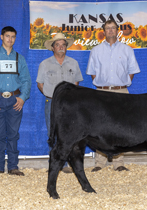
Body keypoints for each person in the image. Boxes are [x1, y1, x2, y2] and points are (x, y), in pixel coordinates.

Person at [86, 19, 140, 172]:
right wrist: (100, 84)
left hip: (121, 92)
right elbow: (92, 73)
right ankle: (99, 163)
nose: (110, 30)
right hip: (102, 92)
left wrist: (123, 84)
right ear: (103, 31)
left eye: (113, 28)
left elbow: (132, 71)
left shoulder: (127, 50)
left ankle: (119, 162)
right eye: (107, 28)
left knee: (121, 126)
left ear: (118, 31)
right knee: (99, 126)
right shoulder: (96, 51)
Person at [0, 26, 32, 177]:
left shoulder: (19, 58)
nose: (10, 39)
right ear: (1, 37)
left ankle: (13, 167)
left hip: (15, 100)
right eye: (7, 36)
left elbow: (26, 80)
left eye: (13, 37)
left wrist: (23, 98)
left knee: (14, 134)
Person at [36, 33, 83, 173]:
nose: (61, 47)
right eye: (58, 45)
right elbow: (40, 83)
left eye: (63, 45)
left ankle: (67, 164)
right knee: (53, 133)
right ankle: (55, 164)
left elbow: (76, 82)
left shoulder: (73, 63)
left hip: (70, 105)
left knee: (69, 133)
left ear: (66, 47)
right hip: (52, 103)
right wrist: (51, 95)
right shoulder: (45, 64)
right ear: (52, 48)